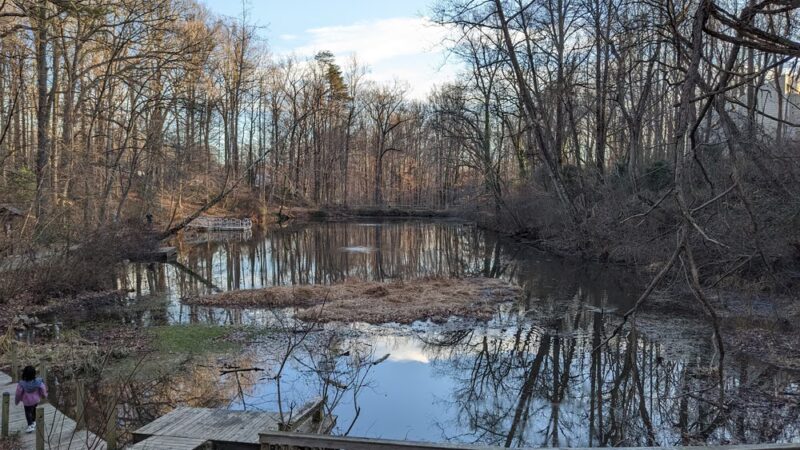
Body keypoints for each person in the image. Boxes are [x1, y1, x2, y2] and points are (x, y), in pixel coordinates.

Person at [15, 366, 47, 433]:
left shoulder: (22, 384)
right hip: (35, 400)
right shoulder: (38, 381)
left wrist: (17, 401)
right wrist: (44, 395)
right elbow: (43, 388)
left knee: (28, 412)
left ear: (24, 374)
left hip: (27, 401)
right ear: (34, 373)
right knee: (34, 409)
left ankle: (30, 425)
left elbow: (18, 393)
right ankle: (34, 421)